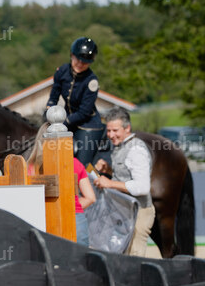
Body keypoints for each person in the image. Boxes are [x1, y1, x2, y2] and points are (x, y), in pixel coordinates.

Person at [94, 107, 154, 257]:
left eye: (115, 130)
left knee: (134, 256)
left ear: (127, 128)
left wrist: (109, 183)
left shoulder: (136, 150)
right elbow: (127, 176)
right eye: (108, 131)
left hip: (140, 212)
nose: (111, 135)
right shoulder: (120, 146)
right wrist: (109, 171)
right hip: (125, 211)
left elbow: (142, 187)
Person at [26, 124, 96, 246]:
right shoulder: (75, 163)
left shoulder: (30, 167)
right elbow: (90, 198)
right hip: (75, 220)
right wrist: (70, 208)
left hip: (43, 220)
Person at [46, 37, 103, 167]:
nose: (80, 64)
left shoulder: (92, 81)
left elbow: (84, 112)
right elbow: (54, 96)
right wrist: (49, 110)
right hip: (66, 121)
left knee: (81, 165)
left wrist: (62, 121)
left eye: (85, 62)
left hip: (88, 126)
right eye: (78, 59)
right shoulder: (62, 71)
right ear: (72, 55)